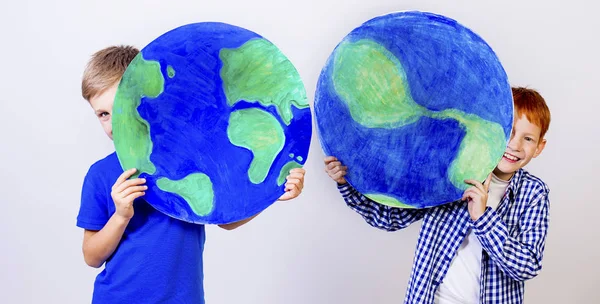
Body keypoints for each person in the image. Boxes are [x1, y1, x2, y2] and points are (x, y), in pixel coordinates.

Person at [78, 45, 306, 303]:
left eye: (121, 107)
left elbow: (226, 220)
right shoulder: (100, 174)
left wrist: (272, 192)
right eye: (104, 114)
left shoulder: (191, 163)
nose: (113, 124)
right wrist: (120, 216)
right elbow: (91, 256)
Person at [324, 87, 551, 304]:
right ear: (493, 126)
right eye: (509, 132)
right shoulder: (453, 173)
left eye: (528, 139)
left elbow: (527, 266)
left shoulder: (534, 193)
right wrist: (347, 183)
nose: (515, 145)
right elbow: (389, 218)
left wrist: (483, 218)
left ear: (539, 147)